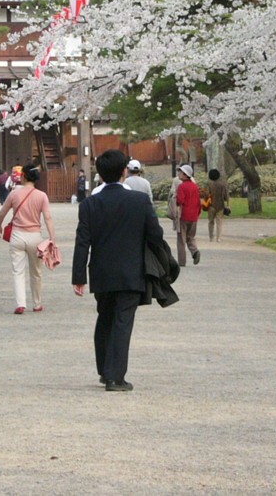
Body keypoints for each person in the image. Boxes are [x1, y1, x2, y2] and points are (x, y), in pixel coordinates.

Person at [72, 149, 168, 392]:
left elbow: (83, 241)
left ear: (100, 175)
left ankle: (105, 371)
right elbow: (156, 234)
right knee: (122, 322)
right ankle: (116, 377)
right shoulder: (139, 201)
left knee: (104, 318)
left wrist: (79, 276)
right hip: (131, 270)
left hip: (102, 272)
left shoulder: (90, 204)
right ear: (124, 171)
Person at [0, 166, 57, 314]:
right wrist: (52, 238)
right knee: (36, 272)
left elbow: (2, 212)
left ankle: (20, 303)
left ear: (23, 177)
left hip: (17, 235)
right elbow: (48, 218)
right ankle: (37, 303)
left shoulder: (14, 194)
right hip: (35, 236)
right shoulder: (41, 196)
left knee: (18, 271)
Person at [206, 169, 227, 242]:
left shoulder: (209, 184)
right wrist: (227, 203)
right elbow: (226, 195)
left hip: (211, 205)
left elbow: (206, 194)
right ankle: (219, 237)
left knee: (210, 222)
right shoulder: (222, 184)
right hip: (220, 205)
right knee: (219, 221)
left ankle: (211, 237)